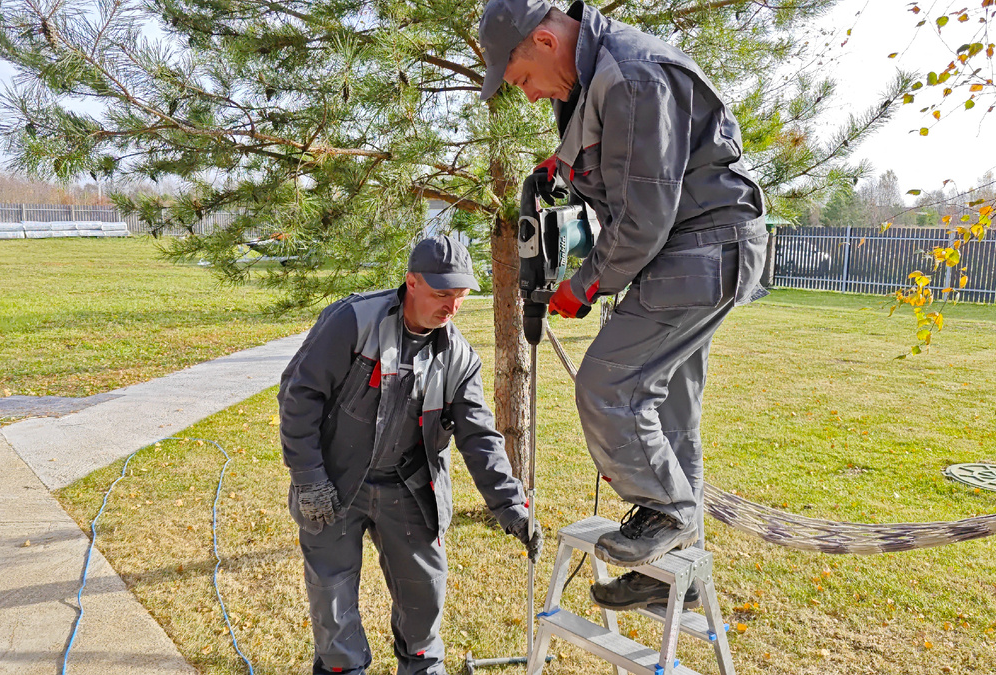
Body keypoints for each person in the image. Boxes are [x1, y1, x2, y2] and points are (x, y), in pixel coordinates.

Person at [479, 0, 769, 611]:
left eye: (524, 78)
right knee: (668, 415)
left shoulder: (630, 75)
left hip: (699, 249)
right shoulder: (594, 80)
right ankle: (674, 578)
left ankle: (668, 514)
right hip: (690, 251)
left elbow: (641, 220)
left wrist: (583, 285)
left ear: (545, 38)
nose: (530, 97)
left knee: (608, 386)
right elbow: (626, 171)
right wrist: (562, 167)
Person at [279, 235, 543, 675]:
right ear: (411, 283)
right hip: (335, 484)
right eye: (442, 294)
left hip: (410, 489)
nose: (451, 307)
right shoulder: (353, 321)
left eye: (459, 297)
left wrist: (512, 507)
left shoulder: (460, 357)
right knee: (333, 601)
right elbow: (299, 396)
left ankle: (421, 667)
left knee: (425, 596)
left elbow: (479, 438)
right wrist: (308, 478)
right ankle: (342, 668)